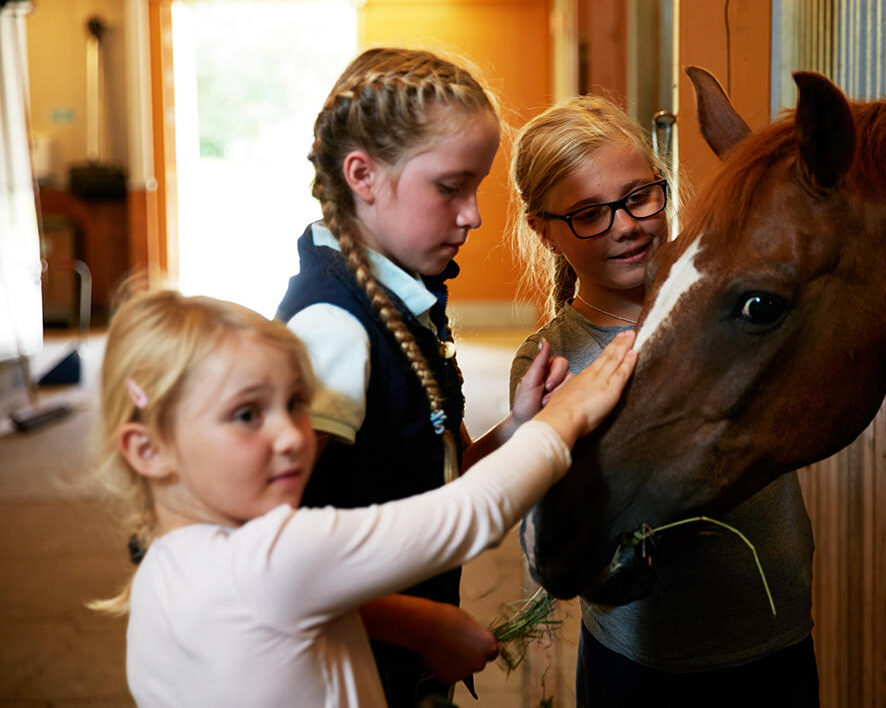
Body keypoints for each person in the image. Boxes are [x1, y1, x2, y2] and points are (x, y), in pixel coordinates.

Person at [507, 76, 886, 706]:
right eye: (589, 213)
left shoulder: (726, 298)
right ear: (544, 229)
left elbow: (826, 212)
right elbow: (548, 521)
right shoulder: (549, 363)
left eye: (639, 196)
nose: (625, 226)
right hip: (639, 664)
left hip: (773, 640)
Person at [88, 288, 637, 708]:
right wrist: (569, 415)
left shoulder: (167, 564)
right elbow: (470, 512)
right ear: (149, 449)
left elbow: (290, 601)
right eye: (248, 414)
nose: (292, 435)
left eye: (296, 404)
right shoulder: (274, 552)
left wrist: (419, 625)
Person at [273, 47, 567, 705]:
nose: (474, 215)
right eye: (449, 186)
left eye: (476, 187)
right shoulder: (333, 331)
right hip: (349, 675)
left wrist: (516, 425)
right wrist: (425, 625)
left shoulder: (403, 296)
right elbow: (259, 552)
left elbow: (431, 478)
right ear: (363, 175)